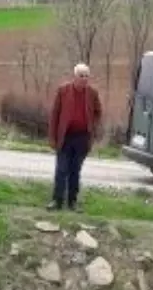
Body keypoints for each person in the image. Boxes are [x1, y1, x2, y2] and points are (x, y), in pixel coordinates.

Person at [47, 63, 103, 212]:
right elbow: (55, 115)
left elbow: (98, 112)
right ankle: (57, 201)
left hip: (82, 138)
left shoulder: (92, 93)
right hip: (65, 137)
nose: (84, 79)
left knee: (75, 170)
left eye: (86, 76)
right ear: (75, 76)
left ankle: (72, 202)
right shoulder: (63, 91)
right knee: (61, 169)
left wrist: (92, 126)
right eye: (81, 76)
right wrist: (52, 137)